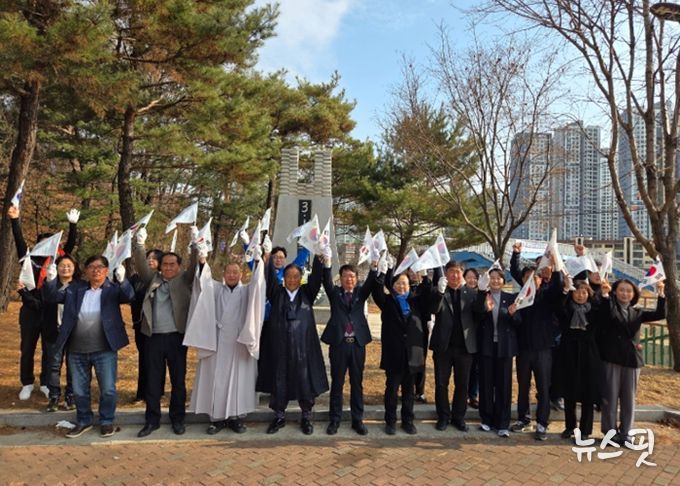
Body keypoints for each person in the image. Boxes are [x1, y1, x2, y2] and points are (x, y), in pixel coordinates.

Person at [43, 255, 133, 438]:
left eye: (100, 267)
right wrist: (51, 280)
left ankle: (106, 421)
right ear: (85, 271)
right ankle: (84, 420)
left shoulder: (112, 289)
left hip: (105, 349)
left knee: (108, 389)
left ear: (106, 271)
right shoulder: (75, 289)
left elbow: (129, 296)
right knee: (79, 390)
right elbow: (52, 296)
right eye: (91, 267)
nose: (96, 270)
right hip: (77, 349)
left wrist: (123, 280)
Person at [8, 205, 79, 401]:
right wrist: (15, 219)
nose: (47, 245)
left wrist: (73, 226)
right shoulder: (29, 260)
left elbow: (70, 247)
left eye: (50, 243)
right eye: (43, 242)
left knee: (50, 350)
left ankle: (46, 383)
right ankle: (27, 383)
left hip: (50, 312)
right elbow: (19, 241)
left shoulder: (57, 262)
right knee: (27, 349)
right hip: (30, 311)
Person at [133, 227, 199, 438]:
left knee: (178, 381)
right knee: (153, 381)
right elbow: (141, 264)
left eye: (172, 264)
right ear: (160, 266)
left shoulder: (184, 280)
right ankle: (152, 420)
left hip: (176, 337)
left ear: (179, 267)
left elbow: (195, 265)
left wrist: (195, 245)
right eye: (165, 264)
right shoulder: (152, 279)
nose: (169, 267)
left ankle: (177, 419)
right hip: (153, 338)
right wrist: (139, 244)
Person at [189, 256, 265, 435]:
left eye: (235, 272)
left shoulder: (246, 291)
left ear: (241, 275)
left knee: (238, 380)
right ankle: (217, 419)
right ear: (223, 274)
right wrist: (202, 261)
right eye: (229, 272)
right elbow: (203, 282)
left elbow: (258, 286)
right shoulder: (215, 289)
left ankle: (235, 417)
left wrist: (259, 261)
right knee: (217, 380)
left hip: (239, 342)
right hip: (217, 342)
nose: (232, 275)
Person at [260, 249, 328, 435]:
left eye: (296, 276)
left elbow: (316, 278)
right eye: (288, 276)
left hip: (303, 349)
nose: (292, 280)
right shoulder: (276, 293)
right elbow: (269, 279)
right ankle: (279, 416)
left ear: (300, 279)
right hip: (280, 347)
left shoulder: (307, 293)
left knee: (304, 381)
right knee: (279, 380)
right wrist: (267, 260)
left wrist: (318, 258)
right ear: (284, 278)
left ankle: (306, 416)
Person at [598, 278, 665, 444]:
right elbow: (604, 316)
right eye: (621, 290)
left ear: (634, 294)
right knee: (610, 398)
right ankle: (610, 432)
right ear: (615, 291)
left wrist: (661, 293)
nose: (625, 293)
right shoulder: (609, 307)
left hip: (632, 360)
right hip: (612, 358)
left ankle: (626, 433)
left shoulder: (638, 312)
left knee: (629, 399)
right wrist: (605, 295)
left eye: (629, 291)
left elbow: (660, 314)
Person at [509, 242, 563, 440]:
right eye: (527, 278)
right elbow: (515, 323)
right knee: (523, 386)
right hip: (523, 349)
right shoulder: (520, 299)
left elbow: (558, 285)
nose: (531, 280)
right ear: (523, 281)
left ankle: (542, 423)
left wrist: (556, 266)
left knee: (543, 387)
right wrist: (516, 254)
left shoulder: (547, 296)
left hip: (543, 349)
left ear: (541, 280)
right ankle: (523, 418)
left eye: (535, 277)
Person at [321, 257, 378, 436]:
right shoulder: (335, 293)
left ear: (356, 278)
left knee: (356, 383)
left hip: (357, 345)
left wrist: (374, 268)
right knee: (337, 383)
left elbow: (370, 283)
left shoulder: (361, 293)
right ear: (341, 278)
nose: (349, 279)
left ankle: (357, 420)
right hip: (339, 344)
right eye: (346, 276)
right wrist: (327, 265)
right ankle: (334, 420)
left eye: (352, 276)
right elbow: (326, 282)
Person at [372, 269, 431, 435]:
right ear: (393, 285)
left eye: (404, 283)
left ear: (409, 285)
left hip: (412, 354)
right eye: (398, 283)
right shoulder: (387, 301)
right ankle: (390, 421)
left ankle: (408, 421)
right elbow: (376, 291)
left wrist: (425, 277)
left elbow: (428, 293)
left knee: (409, 391)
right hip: (394, 353)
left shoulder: (416, 301)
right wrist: (382, 273)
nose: (401, 286)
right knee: (391, 390)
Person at [427, 261, 479, 432]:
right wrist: (440, 293)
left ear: (462, 273)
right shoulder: (439, 291)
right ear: (446, 273)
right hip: (443, 347)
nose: (455, 275)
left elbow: (479, 313)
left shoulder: (471, 293)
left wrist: (482, 293)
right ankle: (443, 416)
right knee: (441, 384)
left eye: (458, 272)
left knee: (462, 384)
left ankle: (459, 417)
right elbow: (433, 309)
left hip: (465, 348)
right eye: (451, 272)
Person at [256, 244, 310, 396]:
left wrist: (308, 244)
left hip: (280, 322)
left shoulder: (287, 274)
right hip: (263, 320)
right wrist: (259, 251)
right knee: (264, 355)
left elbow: (300, 261)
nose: (278, 260)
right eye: (275, 257)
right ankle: (264, 385)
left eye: (281, 257)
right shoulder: (264, 270)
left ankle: (282, 387)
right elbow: (252, 261)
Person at [555, 278, 603, 441]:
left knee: (588, 393)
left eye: (584, 292)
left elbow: (604, 309)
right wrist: (564, 291)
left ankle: (585, 430)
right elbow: (558, 308)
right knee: (569, 392)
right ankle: (570, 427)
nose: (580, 295)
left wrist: (602, 292)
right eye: (576, 292)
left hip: (589, 353)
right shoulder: (566, 309)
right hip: (568, 351)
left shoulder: (594, 311)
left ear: (589, 294)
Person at [475, 268, 520, 437]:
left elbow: (518, 322)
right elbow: (476, 318)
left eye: (498, 278)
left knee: (504, 386)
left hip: (505, 348)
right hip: (486, 346)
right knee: (486, 384)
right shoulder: (483, 296)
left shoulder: (511, 298)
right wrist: (484, 308)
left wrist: (513, 314)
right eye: (492, 278)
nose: (495, 281)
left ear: (503, 280)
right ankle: (486, 420)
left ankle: (502, 423)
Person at [39, 255, 80, 411]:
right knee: (54, 366)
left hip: (73, 332)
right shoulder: (50, 283)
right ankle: (54, 396)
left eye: (69, 265)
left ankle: (71, 396)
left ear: (74, 268)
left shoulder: (79, 286)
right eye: (62, 265)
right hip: (53, 331)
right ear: (56, 268)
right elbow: (46, 298)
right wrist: (50, 280)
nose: (65, 268)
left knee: (73, 366)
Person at [128, 248, 164, 402]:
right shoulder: (136, 279)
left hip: (158, 326)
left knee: (157, 360)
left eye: (154, 258)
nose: (150, 260)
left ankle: (157, 392)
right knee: (143, 358)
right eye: (148, 257)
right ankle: (141, 393)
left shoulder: (162, 279)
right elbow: (126, 294)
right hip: (140, 325)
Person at [463, 268, 480, 409]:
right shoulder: (460, 294)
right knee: (465, 369)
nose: (472, 280)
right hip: (464, 337)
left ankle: (473, 395)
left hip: (478, 337)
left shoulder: (481, 294)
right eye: (469, 277)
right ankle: (464, 396)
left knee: (476, 369)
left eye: (475, 278)